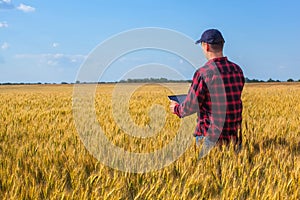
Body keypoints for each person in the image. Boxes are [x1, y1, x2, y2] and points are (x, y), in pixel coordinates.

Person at [170, 29, 245, 155]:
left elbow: (189, 107)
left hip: (209, 138)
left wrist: (176, 108)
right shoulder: (237, 70)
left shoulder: (204, 73)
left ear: (206, 46)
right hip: (233, 137)